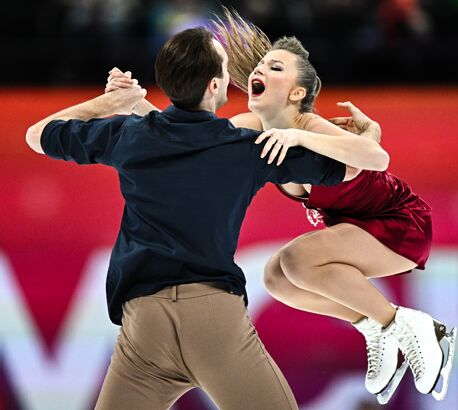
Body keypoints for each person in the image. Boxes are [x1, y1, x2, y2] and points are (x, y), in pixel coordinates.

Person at [107, 11, 457, 404]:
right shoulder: (249, 127)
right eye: (260, 65)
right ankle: (374, 324)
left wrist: (302, 134)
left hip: (400, 226)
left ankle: (411, 326)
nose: (260, 69)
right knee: (276, 278)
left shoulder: (309, 126)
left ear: (295, 93)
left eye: (275, 67)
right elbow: (185, 142)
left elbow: (377, 158)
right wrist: (135, 104)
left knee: (295, 261)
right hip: (355, 233)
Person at [25, 27, 352, 410]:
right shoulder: (245, 148)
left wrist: (109, 102)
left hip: (145, 328)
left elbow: (38, 134)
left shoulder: (131, 136)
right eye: (228, 70)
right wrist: (310, 129)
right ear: (215, 86)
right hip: (213, 323)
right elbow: (344, 167)